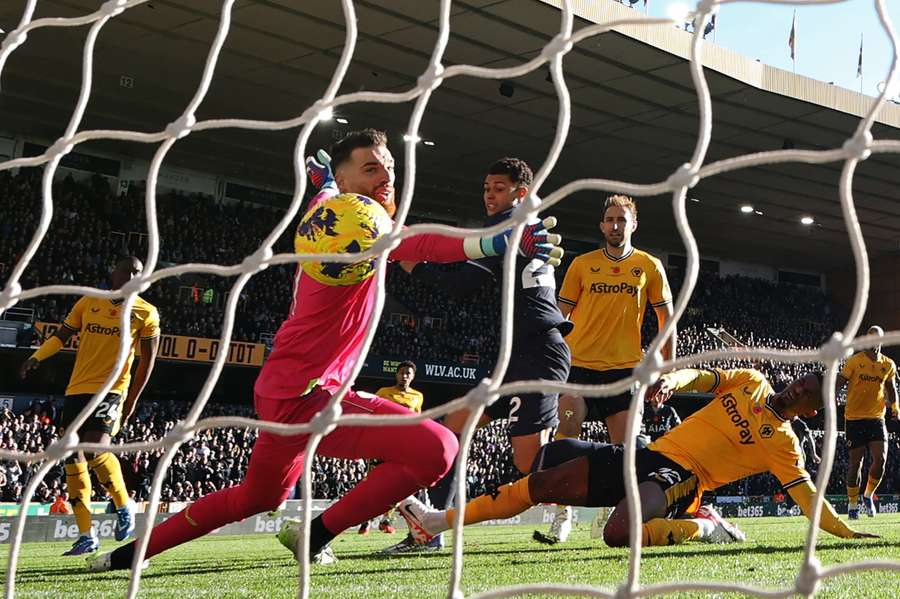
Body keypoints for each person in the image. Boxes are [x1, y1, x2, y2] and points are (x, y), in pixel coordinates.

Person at [89, 128, 562, 573]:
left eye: (390, 168)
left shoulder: (335, 209)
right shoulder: (354, 219)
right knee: (438, 448)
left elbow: (340, 204)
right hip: (309, 395)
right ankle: (314, 535)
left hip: (290, 392)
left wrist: (322, 184)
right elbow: (425, 243)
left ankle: (131, 555)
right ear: (348, 179)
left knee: (258, 498)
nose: (387, 177)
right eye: (373, 169)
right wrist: (498, 239)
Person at [400, 368, 879, 548]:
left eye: (808, 392)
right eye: (804, 379)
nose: (798, 387)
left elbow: (808, 498)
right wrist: (675, 381)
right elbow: (704, 378)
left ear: (812, 409)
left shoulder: (784, 444)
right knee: (545, 478)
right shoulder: (751, 381)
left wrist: (846, 531)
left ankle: (706, 526)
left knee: (617, 534)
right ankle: (437, 524)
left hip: (685, 478)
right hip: (649, 453)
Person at [395, 157, 571, 550]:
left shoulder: (510, 225)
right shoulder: (525, 224)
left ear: (519, 192)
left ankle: (618, 479)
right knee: (450, 428)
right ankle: (435, 529)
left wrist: (414, 267)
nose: (490, 195)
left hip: (538, 351)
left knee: (530, 463)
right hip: (515, 354)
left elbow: (460, 287)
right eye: (487, 188)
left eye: (499, 188)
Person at [539, 195, 675, 543]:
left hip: (625, 371)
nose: (615, 225)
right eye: (609, 219)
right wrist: (552, 358)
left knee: (627, 451)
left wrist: (668, 369)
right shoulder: (582, 264)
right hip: (579, 367)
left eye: (621, 220)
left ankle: (610, 515)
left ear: (633, 225)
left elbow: (666, 320)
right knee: (565, 437)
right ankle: (561, 516)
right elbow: (559, 316)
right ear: (602, 225)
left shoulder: (649, 265)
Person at [20, 256, 160, 555]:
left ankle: (124, 505)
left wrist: (131, 399)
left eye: (139, 272)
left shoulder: (146, 313)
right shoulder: (88, 303)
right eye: (129, 270)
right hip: (77, 389)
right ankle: (86, 535)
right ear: (114, 272)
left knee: (96, 446)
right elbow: (61, 335)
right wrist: (37, 357)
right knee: (72, 456)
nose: (134, 275)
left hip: (112, 391)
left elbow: (148, 360)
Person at [836, 325, 899, 519]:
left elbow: (891, 387)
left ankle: (868, 496)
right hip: (854, 418)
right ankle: (852, 505)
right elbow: (840, 381)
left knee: (880, 459)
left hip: (876, 417)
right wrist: (832, 396)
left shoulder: (888, 364)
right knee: (856, 463)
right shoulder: (854, 361)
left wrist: (895, 407)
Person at [358, 360, 424, 536]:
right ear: (396, 374)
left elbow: (417, 422)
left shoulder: (418, 396)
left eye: (408, 373)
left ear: (413, 376)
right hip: (382, 444)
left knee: (396, 485)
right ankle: (366, 521)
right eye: (402, 372)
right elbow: (372, 413)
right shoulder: (384, 392)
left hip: (402, 447)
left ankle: (386, 521)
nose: (404, 376)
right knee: (372, 482)